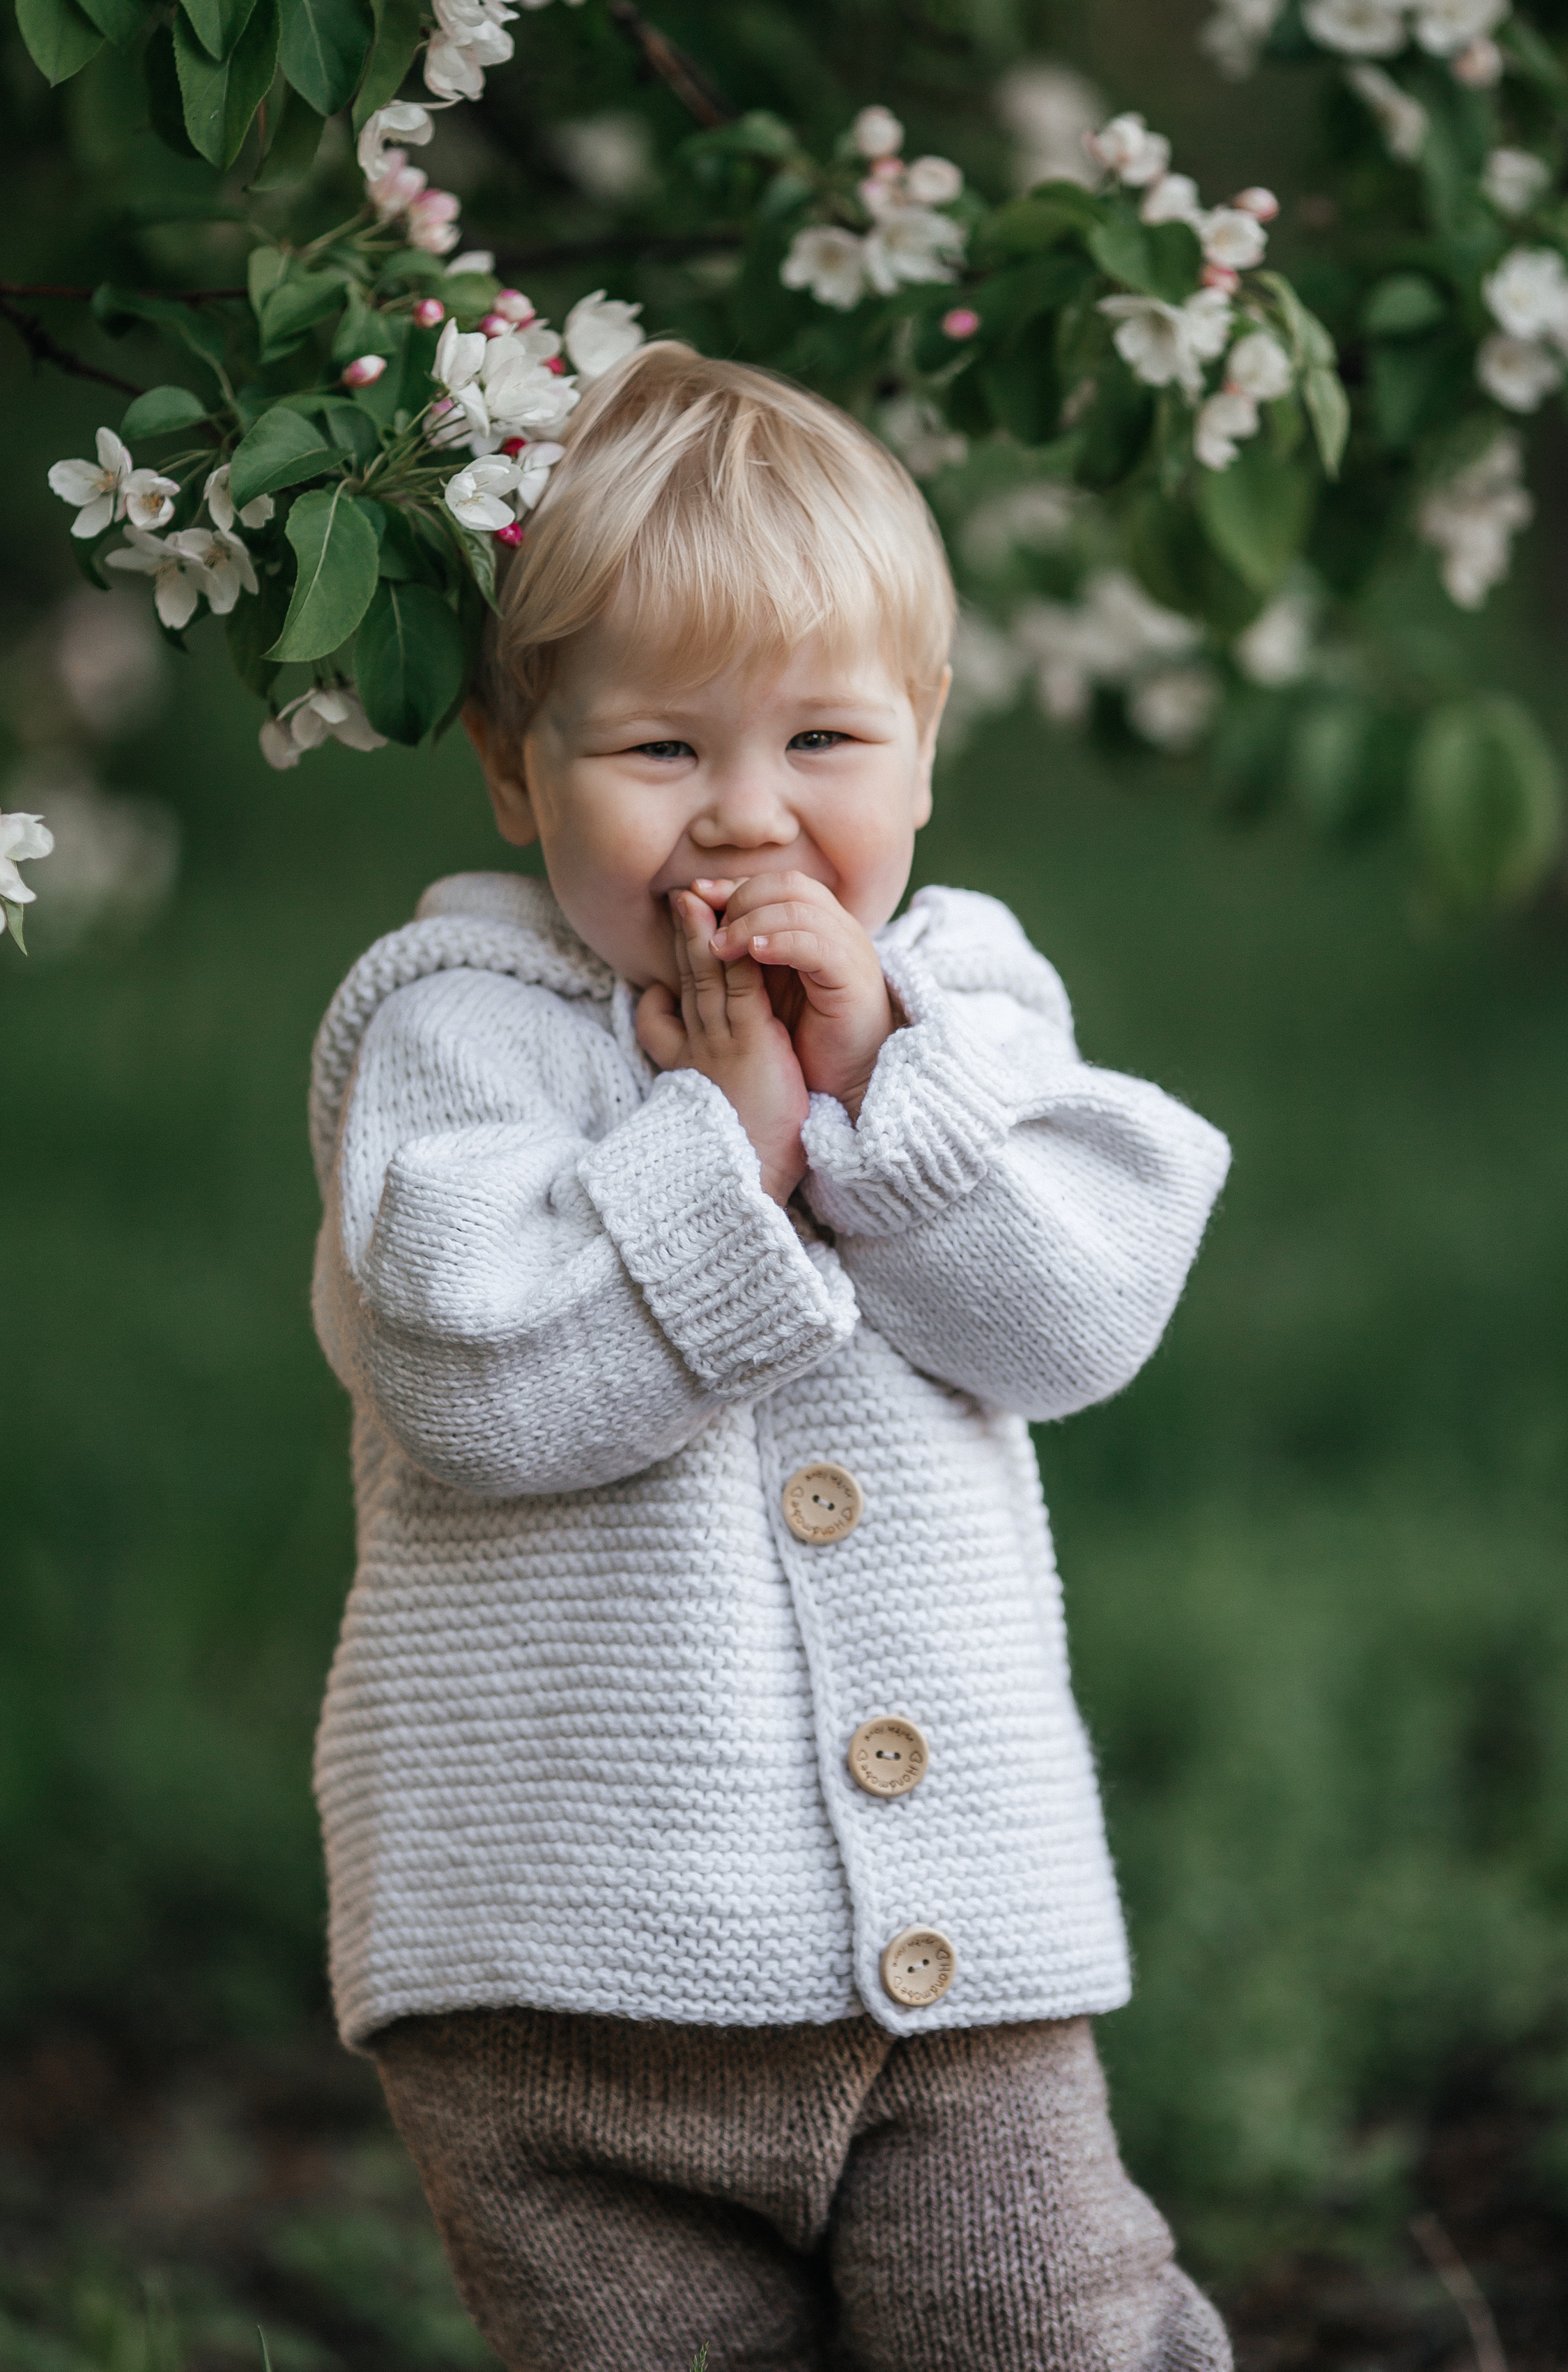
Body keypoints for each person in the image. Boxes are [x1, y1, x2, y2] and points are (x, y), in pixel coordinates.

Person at [307, 342, 1233, 2372]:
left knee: (1044, 2327)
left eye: (822, 737)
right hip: (554, 1977)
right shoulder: (453, 1031)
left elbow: (1072, 1321)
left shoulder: (963, 1008)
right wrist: (720, 1148)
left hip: (957, 1971)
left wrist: (870, 1092)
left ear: (925, 751)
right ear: (511, 759)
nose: (745, 819)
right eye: (658, 750)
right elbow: (475, 1387)